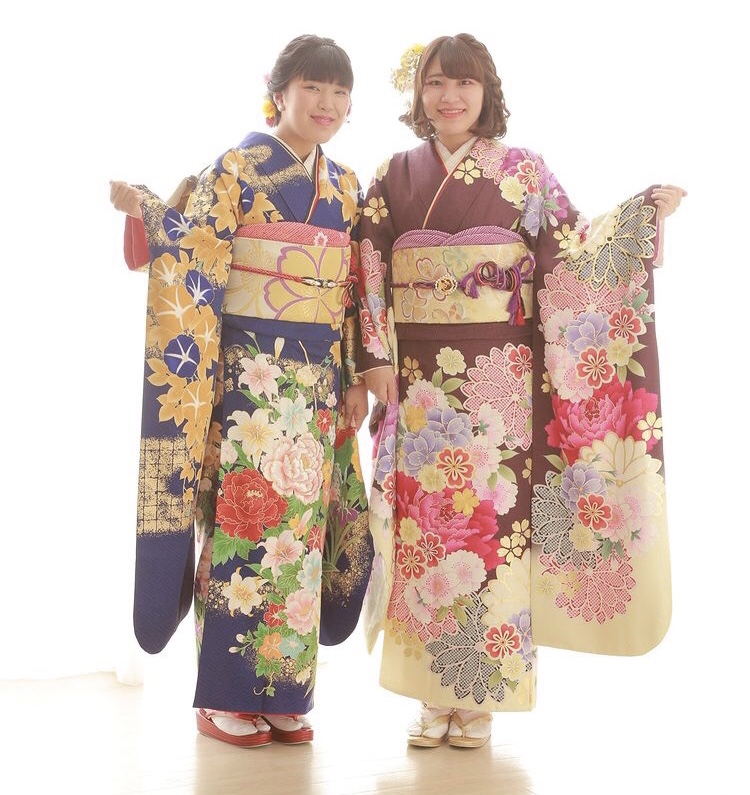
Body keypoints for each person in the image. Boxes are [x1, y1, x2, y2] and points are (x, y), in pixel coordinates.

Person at [355, 33, 685, 749]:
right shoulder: (391, 175)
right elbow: (369, 267)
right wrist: (374, 354)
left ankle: (478, 699)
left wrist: (639, 218)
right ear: (418, 94)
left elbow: (574, 253)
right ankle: (430, 694)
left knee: (491, 531)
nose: (449, 97)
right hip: (419, 382)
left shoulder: (524, 171)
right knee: (425, 534)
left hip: (497, 380)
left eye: (464, 84)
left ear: (487, 92)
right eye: (436, 83)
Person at [109, 34, 373, 748]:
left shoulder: (347, 185)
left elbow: (354, 288)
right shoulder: (236, 169)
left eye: (339, 92)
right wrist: (145, 209)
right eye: (312, 87)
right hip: (248, 377)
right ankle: (223, 695)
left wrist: (354, 375)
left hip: (317, 383)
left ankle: (285, 691)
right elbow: (193, 248)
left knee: (301, 539)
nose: (327, 103)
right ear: (278, 92)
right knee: (241, 527)